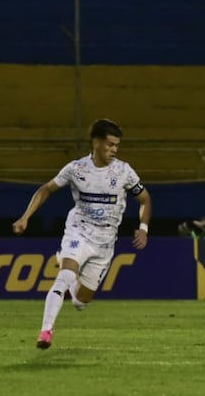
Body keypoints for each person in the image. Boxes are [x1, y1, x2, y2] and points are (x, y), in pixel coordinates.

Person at [12, 118, 152, 350]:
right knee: (65, 275)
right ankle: (46, 330)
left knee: (81, 301)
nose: (114, 150)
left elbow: (145, 199)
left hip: (105, 241)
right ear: (96, 143)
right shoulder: (76, 169)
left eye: (117, 145)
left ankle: (70, 291)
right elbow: (46, 189)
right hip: (79, 231)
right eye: (110, 145)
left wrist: (144, 229)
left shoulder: (124, 171)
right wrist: (25, 217)